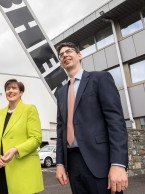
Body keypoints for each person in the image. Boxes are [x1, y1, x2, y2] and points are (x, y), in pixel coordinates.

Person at [54, 42, 128, 194]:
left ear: (79, 55)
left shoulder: (100, 79)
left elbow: (115, 122)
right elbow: (60, 130)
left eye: (69, 51)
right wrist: (60, 163)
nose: (65, 55)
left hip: (101, 161)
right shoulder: (61, 93)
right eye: (61, 55)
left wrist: (118, 163)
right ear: (61, 62)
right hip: (73, 164)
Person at [0, 79, 44, 194]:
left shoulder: (29, 109)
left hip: (22, 169)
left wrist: (16, 149)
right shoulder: (0, 113)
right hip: (1, 168)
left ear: (21, 92)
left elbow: (36, 138)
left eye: (14, 88)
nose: (10, 91)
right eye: (8, 89)